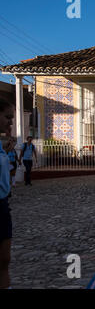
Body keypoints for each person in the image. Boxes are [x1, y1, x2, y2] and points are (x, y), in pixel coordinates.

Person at [0, 98, 14, 289]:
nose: (10, 122)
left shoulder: (2, 146)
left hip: (3, 204)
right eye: (7, 117)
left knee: (4, 259)